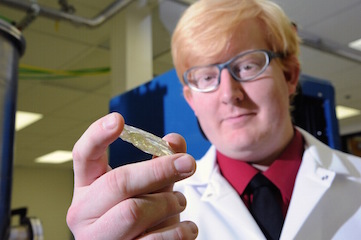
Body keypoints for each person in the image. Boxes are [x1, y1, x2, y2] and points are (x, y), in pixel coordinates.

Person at [66, 0, 361, 239]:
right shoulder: (157, 211)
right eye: (207, 77)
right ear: (191, 99)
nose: (228, 93)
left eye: (247, 66)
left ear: (289, 75)